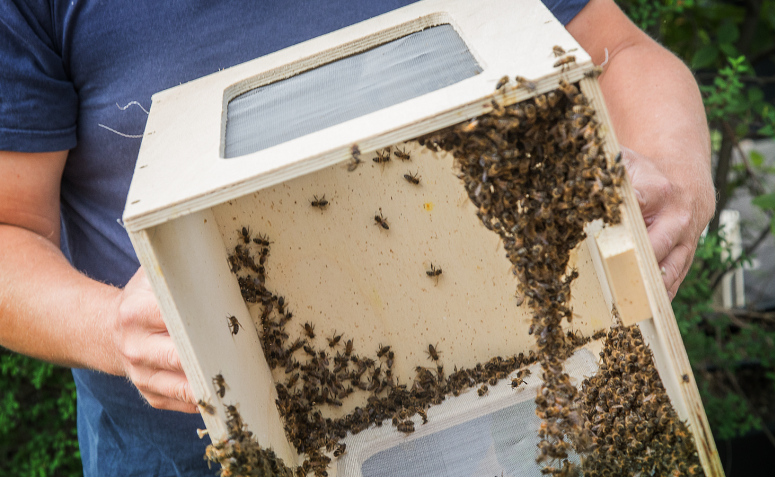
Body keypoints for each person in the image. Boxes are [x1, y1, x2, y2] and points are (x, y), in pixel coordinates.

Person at [0, 0, 713, 475]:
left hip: (513, 415)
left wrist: (676, 174)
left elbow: (614, 46)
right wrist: (111, 330)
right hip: (193, 450)